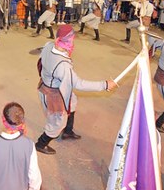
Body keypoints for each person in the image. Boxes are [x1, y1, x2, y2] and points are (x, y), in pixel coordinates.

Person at [35, 24, 116, 154]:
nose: (73, 43)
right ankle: (41, 143)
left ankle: (67, 131)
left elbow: (41, 54)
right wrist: (105, 85)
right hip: (52, 95)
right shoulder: (63, 65)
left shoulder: (49, 45)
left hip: (56, 87)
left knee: (72, 102)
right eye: (71, 40)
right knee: (56, 123)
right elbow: (78, 83)